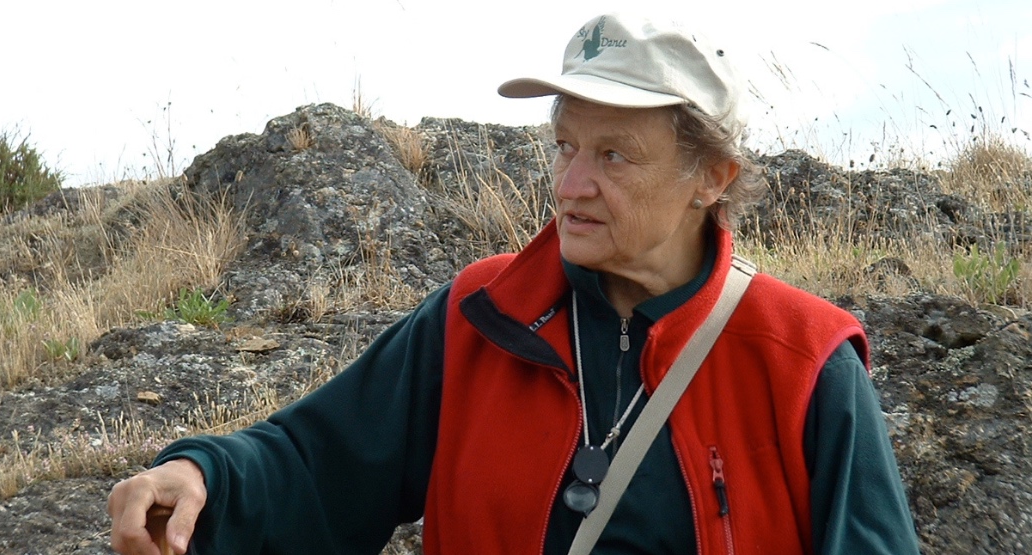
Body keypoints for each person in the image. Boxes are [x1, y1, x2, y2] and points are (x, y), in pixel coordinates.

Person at [108, 13, 920, 555]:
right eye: (564, 146)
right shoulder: (481, 316)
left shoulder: (805, 365)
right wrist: (206, 477)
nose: (569, 184)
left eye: (613, 155)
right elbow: (321, 463)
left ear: (711, 175)